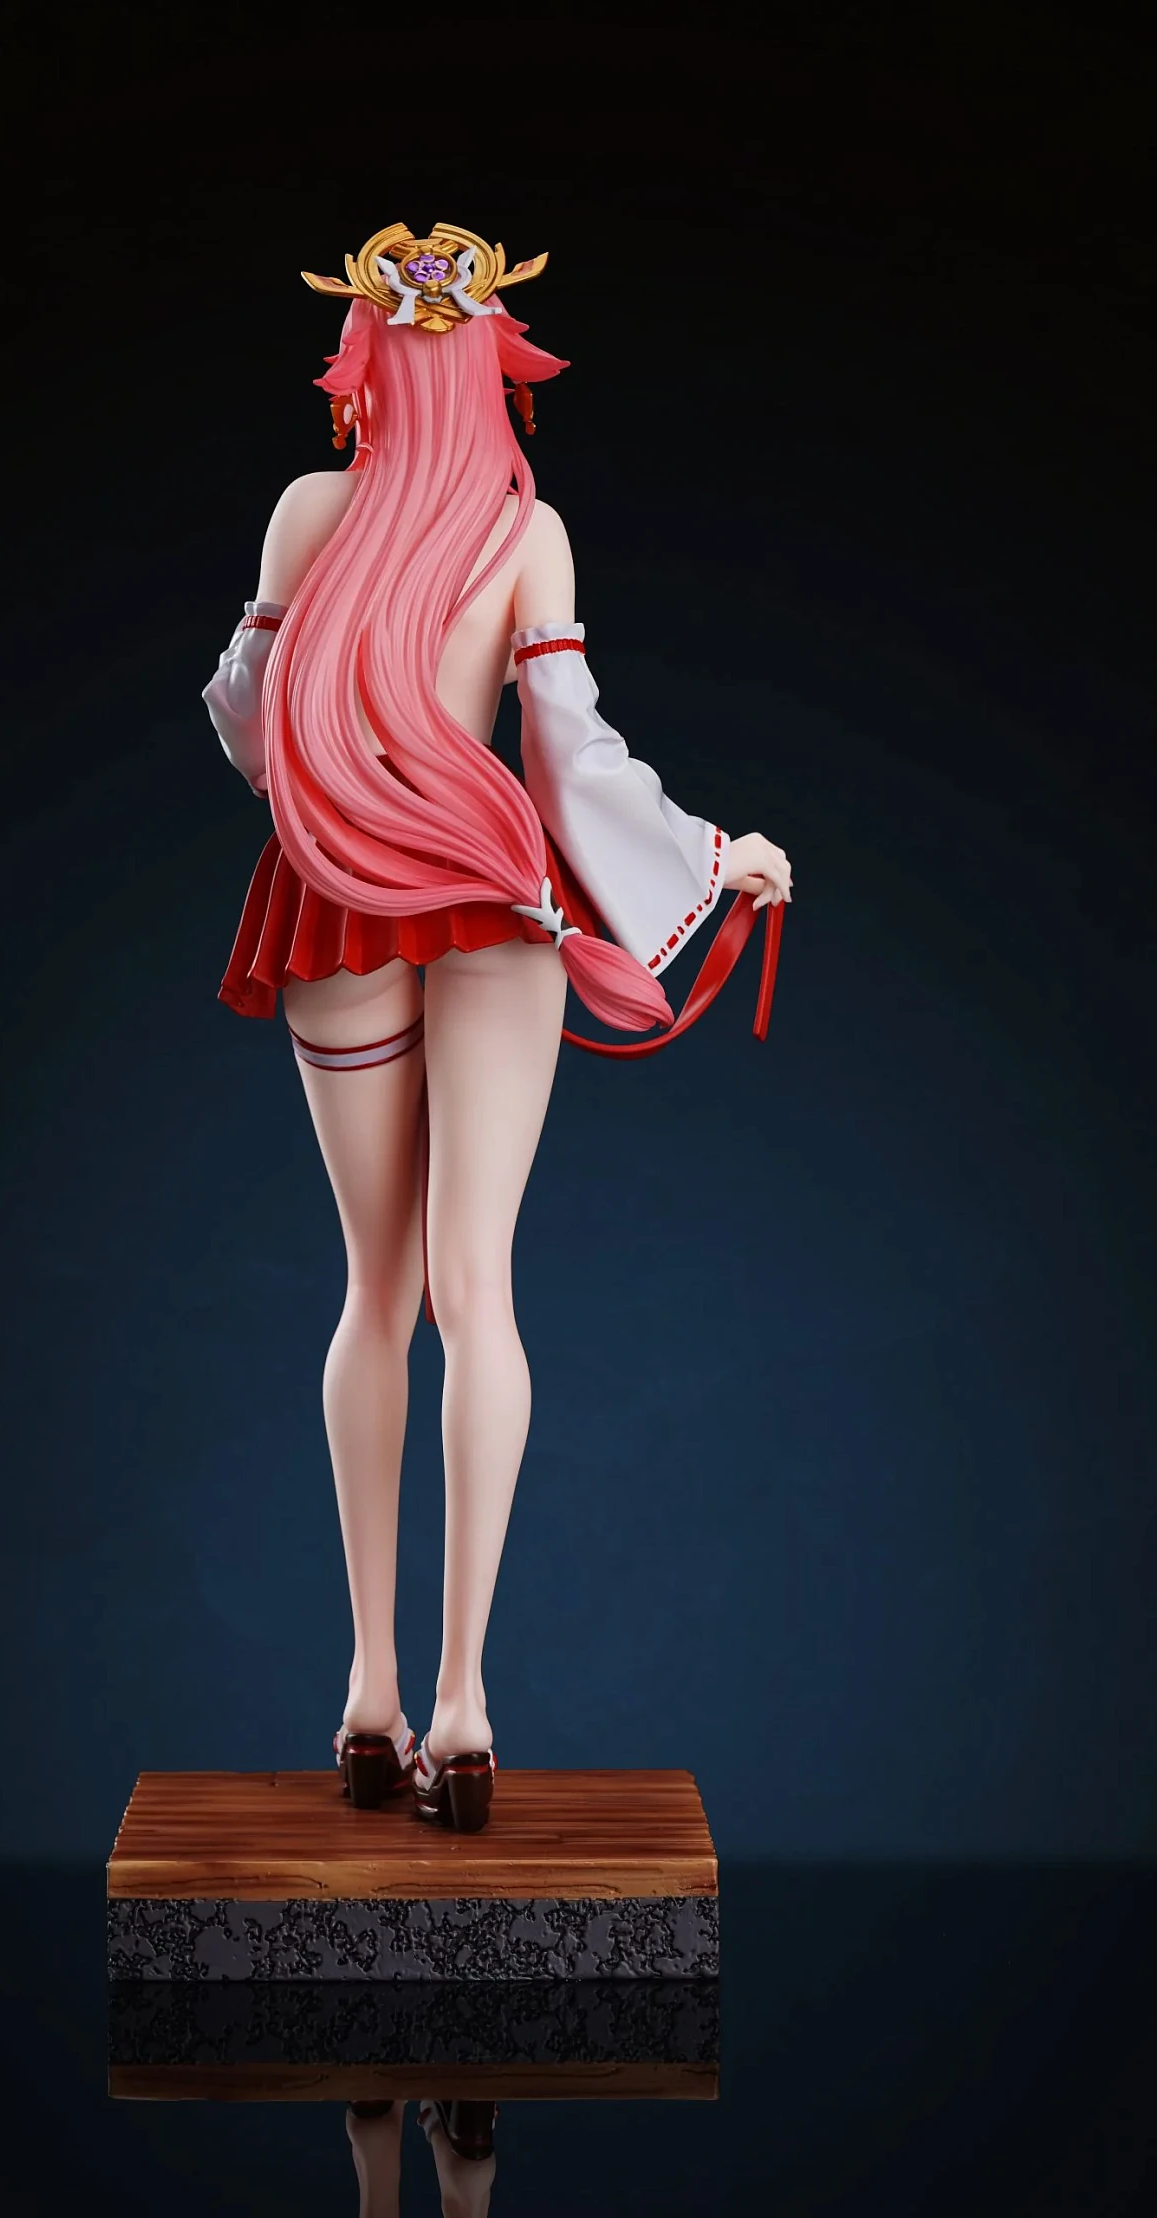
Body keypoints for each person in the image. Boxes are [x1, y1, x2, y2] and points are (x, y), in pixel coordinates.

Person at [204, 225, 792, 1833]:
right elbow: (572, 756)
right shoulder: (530, 534)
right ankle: (463, 1706)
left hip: (340, 894)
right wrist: (716, 853)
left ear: (363, 368)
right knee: (478, 1291)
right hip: (490, 893)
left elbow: (253, 732)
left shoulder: (308, 513)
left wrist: (339, 757)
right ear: (493, 371)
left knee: (375, 1291)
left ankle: (369, 1694)